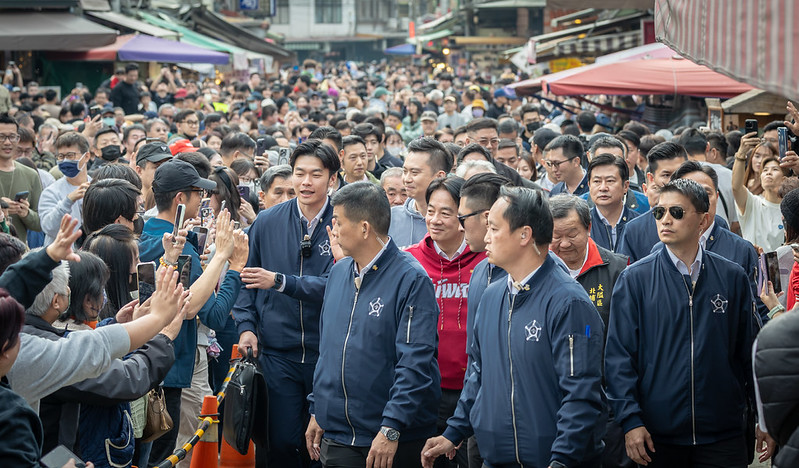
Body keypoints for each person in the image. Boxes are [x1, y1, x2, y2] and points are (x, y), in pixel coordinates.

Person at [422, 186, 606, 468]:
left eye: (494, 229)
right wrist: (454, 431)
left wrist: (562, 460)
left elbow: (581, 394)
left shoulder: (569, 302)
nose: (485, 237)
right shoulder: (493, 295)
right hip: (496, 458)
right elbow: (478, 372)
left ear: (524, 234)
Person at [605, 179, 758, 468]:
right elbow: (619, 357)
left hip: (722, 433)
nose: (665, 220)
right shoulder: (635, 279)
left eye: (676, 212)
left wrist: (762, 417)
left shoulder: (732, 276)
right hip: (656, 436)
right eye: (659, 212)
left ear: (703, 220)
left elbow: (749, 352)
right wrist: (631, 420)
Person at [304, 182, 440, 467]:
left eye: (338, 222)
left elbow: (415, 363)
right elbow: (328, 349)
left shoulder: (411, 280)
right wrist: (318, 408)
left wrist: (392, 426)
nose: (334, 230)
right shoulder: (340, 271)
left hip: (389, 437)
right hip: (338, 435)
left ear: (364, 228)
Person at [233, 139, 340, 467]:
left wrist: (281, 281)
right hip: (278, 353)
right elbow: (247, 280)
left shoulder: (343, 221)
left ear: (332, 179)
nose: (305, 182)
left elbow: (338, 286)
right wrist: (247, 327)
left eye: (316, 175)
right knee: (281, 442)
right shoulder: (267, 221)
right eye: (299, 173)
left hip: (330, 354)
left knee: (327, 446)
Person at [137, 159, 245, 464]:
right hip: (170, 366)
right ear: (180, 199)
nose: (204, 199)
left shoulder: (141, 239)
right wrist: (232, 265)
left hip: (136, 360)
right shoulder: (180, 250)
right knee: (172, 452)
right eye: (199, 192)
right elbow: (212, 314)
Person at [405, 176, 485, 467]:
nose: (434, 220)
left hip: (474, 390)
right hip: (423, 391)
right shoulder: (409, 261)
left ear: (464, 215)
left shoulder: (489, 261)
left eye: (446, 213)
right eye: (430, 211)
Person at [618, 142, 692, 263]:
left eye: (680, 174)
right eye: (666, 175)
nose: (674, 181)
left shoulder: (707, 220)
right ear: (652, 178)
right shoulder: (634, 230)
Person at [389, 138, 450, 249]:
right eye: (405, 171)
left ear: (439, 176)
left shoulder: (455, 221)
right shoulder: (390, 218)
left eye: (414, 172)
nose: (407, 179)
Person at [733, 131, 788, 252]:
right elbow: (736, 187)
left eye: (774, 169)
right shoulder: (753, 203)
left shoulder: (789, 209)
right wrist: (741, 153)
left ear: (784, 178)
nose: (768, 172)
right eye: (765, 170)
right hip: (755, 267)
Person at [0, 113, 42, 243]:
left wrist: (26, 213)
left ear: (18, 139)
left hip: (18, 255)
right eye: (1, 137)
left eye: (12, 137)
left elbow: (41, 222)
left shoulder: (31, 175)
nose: (7, 142)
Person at [584, 154, 639, 252]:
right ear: (589, 185)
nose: (603, 188)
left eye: (610, 181)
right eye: (597, 181)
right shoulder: (582, 225)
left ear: (625, 186)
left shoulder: (639, 224)